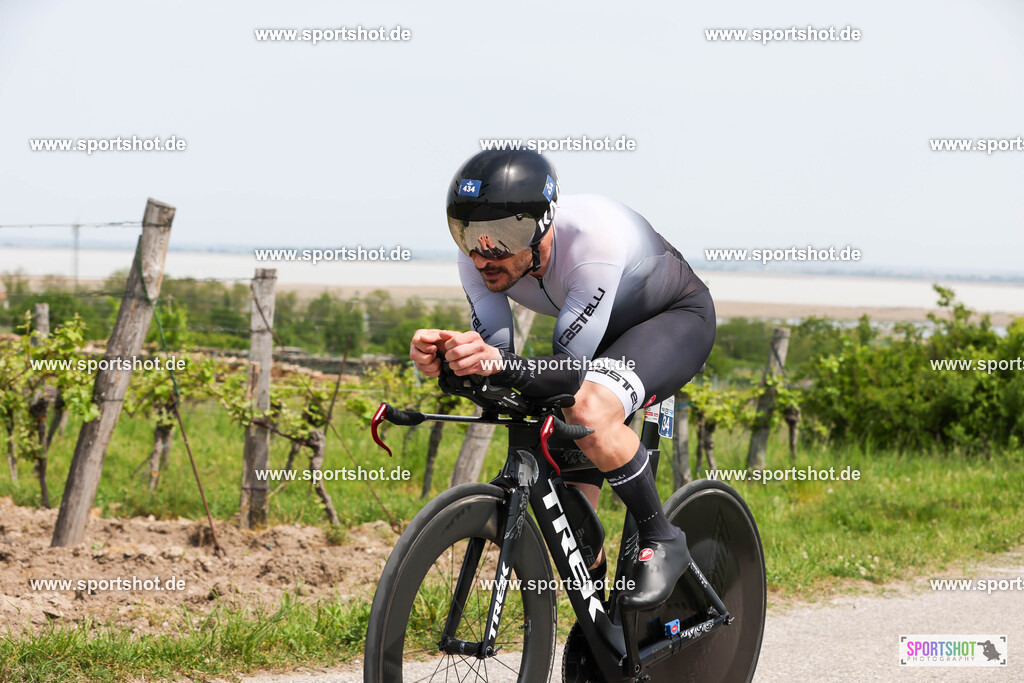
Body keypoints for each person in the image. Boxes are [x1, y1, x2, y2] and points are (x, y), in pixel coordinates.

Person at [410, 149, 715, 610]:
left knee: (587, 406)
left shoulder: (593, 241)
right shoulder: (476, 259)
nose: (484, 252)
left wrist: (499, 363)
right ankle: (604, 635)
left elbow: (569, 373)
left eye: (506, 234)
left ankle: (662, 535)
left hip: (672, 321)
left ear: (543, 223)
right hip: (594, 332)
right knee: (574, 523)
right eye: (467, 231)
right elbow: (501, 358)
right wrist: (453, 359)